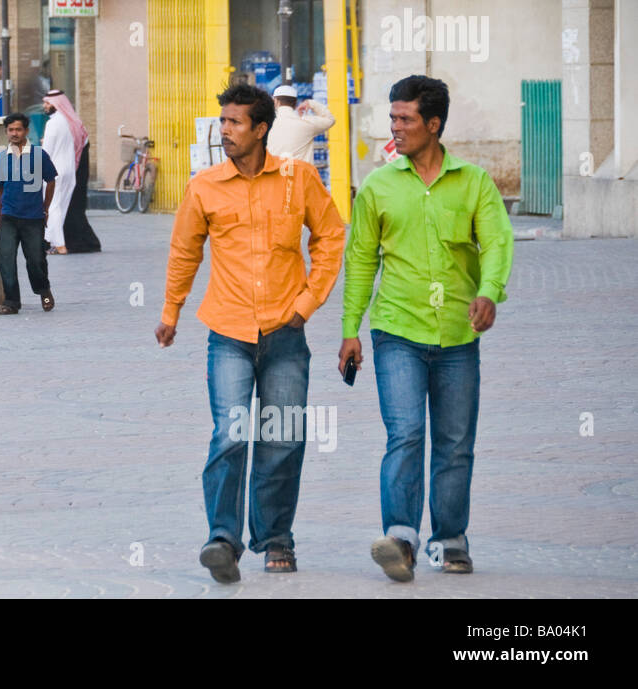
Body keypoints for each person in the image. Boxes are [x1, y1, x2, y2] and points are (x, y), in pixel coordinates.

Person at [155, 82, 344, 582]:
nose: (225, 132)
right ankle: (222, 538)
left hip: (286, 333)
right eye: (223, 122)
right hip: (229, 334)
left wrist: (307, 304)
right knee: (230, 435)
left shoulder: (298, 179)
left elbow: (330, 236)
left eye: (235, 123)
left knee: (282, 439)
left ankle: (276, 538)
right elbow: (185, 252)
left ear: (262, 129)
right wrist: (171, 311)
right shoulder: (205, 187)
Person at [339, 75, 514, 582]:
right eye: (392, 118)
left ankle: (450, 538)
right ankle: (401, 538)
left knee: (456, 441)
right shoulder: (378, 186)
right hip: (396, 330)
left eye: (405, 119)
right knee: (407, 434)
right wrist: (351, 328)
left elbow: (498, 242)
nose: (394, 128)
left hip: (458, 336)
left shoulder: (474, 182)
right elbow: (360, 262)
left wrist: (490, 291)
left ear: (433, 124)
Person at [0, 112, 57, 315]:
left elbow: (51, 180)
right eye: (11, 130)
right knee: (6, 259)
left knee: (36, 260)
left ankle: (44, 290)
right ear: (6, 132)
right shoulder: (2, 158)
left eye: (18, 129)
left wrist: (45, 208)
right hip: (9, 216)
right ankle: (11, 301)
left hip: (33, 217)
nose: (14, 133)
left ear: (26, 131)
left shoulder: (39, 155)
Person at [40, 90, 100, 254]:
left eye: (48, 103)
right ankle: (53, 242)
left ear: (56, 104)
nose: (45, 106)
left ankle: (60, 245)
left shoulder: (52, 124)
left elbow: (47, 152)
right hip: (70, 171)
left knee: (53, 207)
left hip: (55, 171)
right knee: (62, 206)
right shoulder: (71, 122)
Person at [268, 84, 335, 164]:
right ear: (295, 103)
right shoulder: (306, 123)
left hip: (276, 175)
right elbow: (330, 119)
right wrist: (311, 103)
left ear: (276, 101)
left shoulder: (266, 124)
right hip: (302, 175)